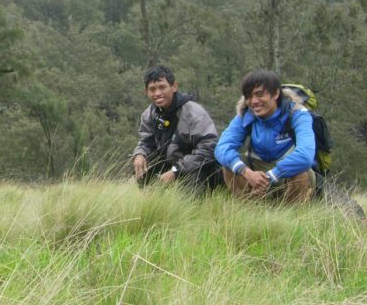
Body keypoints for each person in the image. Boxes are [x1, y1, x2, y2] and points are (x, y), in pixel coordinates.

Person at [214, 70, 316, 203]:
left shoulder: (297, 114)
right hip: (256, 173)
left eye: (259, 94)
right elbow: (222, 148)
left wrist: (269, 177)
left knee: (301, 172)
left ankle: (291, 217)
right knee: (228, 166)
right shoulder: (245, 115)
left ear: (276, 93)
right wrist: (246, 172)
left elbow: (305, 156)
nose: (254, 101)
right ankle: (249, 210)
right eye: (248, 96)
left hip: (285, 174)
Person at [132, 64, 221, 190]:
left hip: (197, 168)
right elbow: (146, 142)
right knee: (140, 167)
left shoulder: (193, 112)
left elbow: (209, 148)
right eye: (152, 89)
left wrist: (175, 171)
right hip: (169, 165)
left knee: (193, 176)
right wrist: (139, 154)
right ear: (146, 92)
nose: (157, 93)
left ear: (174, 87)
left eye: (162, 87)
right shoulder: (149, 114)